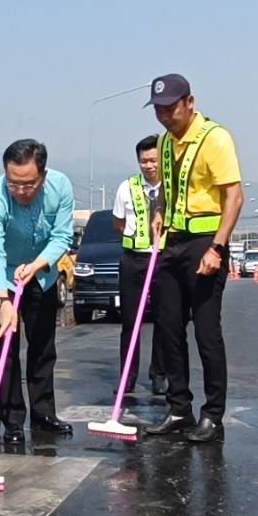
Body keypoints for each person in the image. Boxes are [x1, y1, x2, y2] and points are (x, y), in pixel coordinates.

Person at [145, 74, 244, 443]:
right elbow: (165, 189)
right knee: (169, 328)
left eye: (170, 108)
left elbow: (234, 197)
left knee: (206, 331)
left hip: (205, 242)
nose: (164, 115)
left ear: (190, 102)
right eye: (158, 109)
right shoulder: (164, 142)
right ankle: (179, 408)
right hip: (172, 242)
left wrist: (217, 247)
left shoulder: (215, 138)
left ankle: (213, 414)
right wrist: (159, 211)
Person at [0, 138, 75, 445]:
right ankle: (12, 419)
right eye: (13, 183)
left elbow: (62, 236)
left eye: (29, 184)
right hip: (2, 272)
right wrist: (3, 300)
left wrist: (38, 265)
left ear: (42, 175)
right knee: (6, 345)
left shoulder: (60, 187)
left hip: (41, 271)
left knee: (43, 344)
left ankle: (44, 414)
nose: (21, 191)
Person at [112, 134, 168, 396]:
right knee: (130, 322)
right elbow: (118, 223)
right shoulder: (127, 187)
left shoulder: (171, 187)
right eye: (144, 161)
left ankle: (159, 374)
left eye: (154, 160)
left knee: (163, 319)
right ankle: (128, 377)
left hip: (163, 259)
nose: (149, 165)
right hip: (134, 260)